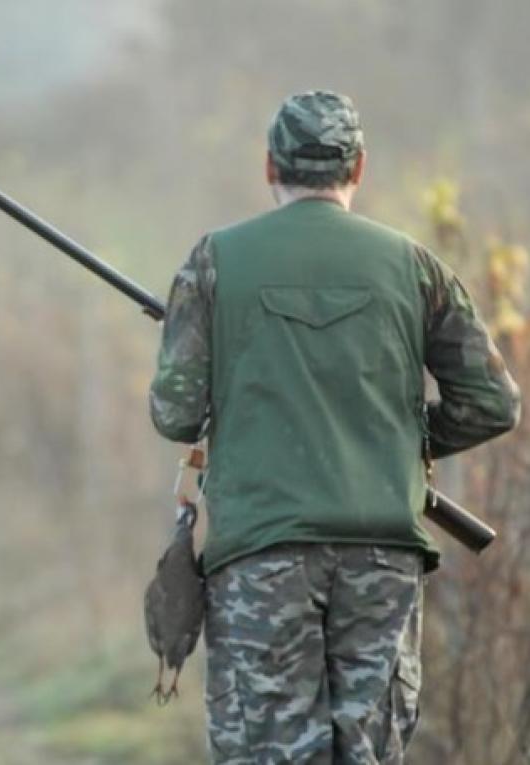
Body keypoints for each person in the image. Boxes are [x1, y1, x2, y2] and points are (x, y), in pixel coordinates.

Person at [148, 90, 521, 764]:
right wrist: (401, 440)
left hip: (262, 552)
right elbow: (494, 401)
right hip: (382, 558)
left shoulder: (215, 261)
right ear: (360, 167)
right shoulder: (415, 266)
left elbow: (173, 409)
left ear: (270, 166)